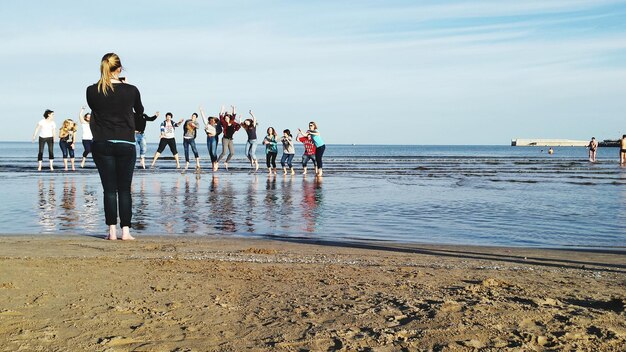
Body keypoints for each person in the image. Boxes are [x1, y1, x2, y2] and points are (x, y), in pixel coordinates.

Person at [86, 52, 144, 240]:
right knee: (124, 189)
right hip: (125, 142)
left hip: (102, 142)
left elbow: (97, 108)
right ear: (119, 68)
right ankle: (125, 231)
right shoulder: (131, 90)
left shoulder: (92, 90)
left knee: (109, 189)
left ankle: (112, 231)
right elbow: (140, 112)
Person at [216, 105, 241, 170]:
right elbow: (221, 116)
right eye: (226, 117)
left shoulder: (233, 123)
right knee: (224, 152)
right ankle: (217, 161)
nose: (226, 118)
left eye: (228, 117)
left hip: (230, 139)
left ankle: (226, 162)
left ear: (230, 118)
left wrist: (233, 108)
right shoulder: (224, 123)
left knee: (232, 153)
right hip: (225, 139)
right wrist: (222, 108)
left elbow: (234, 115)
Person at [199, 106, 219, 171]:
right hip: (208, 138)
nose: (211, 121)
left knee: (213, 152)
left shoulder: (216, 125)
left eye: (212, 120)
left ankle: (216, 163)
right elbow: (203, 118)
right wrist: (201, 111)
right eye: (210, 120)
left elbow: (219, 131)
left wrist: (213, 134)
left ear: (214, 121)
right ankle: (213, 164)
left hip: (214, 138)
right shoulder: (207, 124)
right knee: (210, 152)